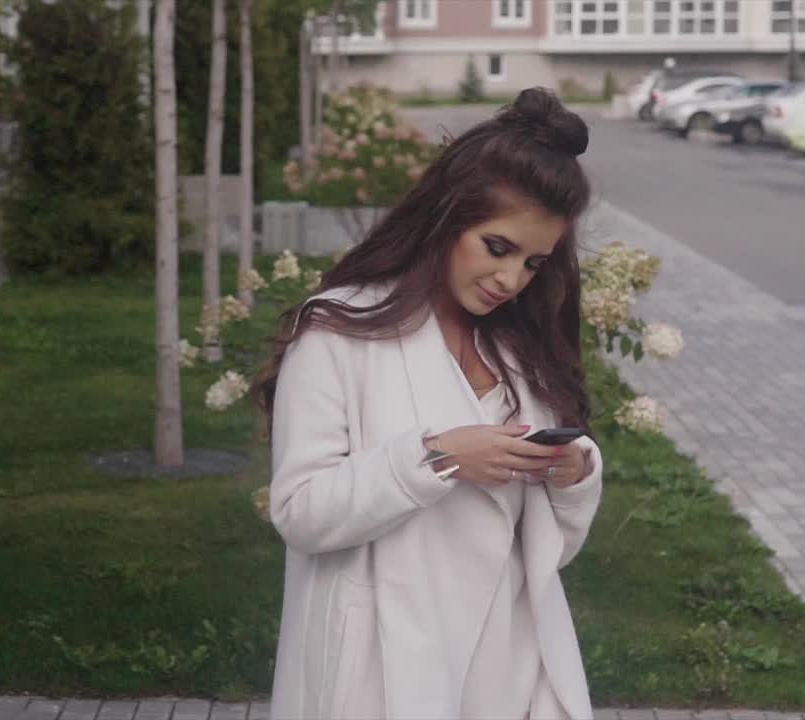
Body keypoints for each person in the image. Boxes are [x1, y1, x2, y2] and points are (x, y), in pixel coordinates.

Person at [252, 88, 604, 720]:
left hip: (509, 665)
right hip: (383, 672)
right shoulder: (338, 331)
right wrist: (435, 459)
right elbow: (300, 512)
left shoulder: (523, 349)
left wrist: (571, 473)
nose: (512, 280)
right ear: (447, 215)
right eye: (497, 248)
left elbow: (548, 546)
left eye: (533, 262)